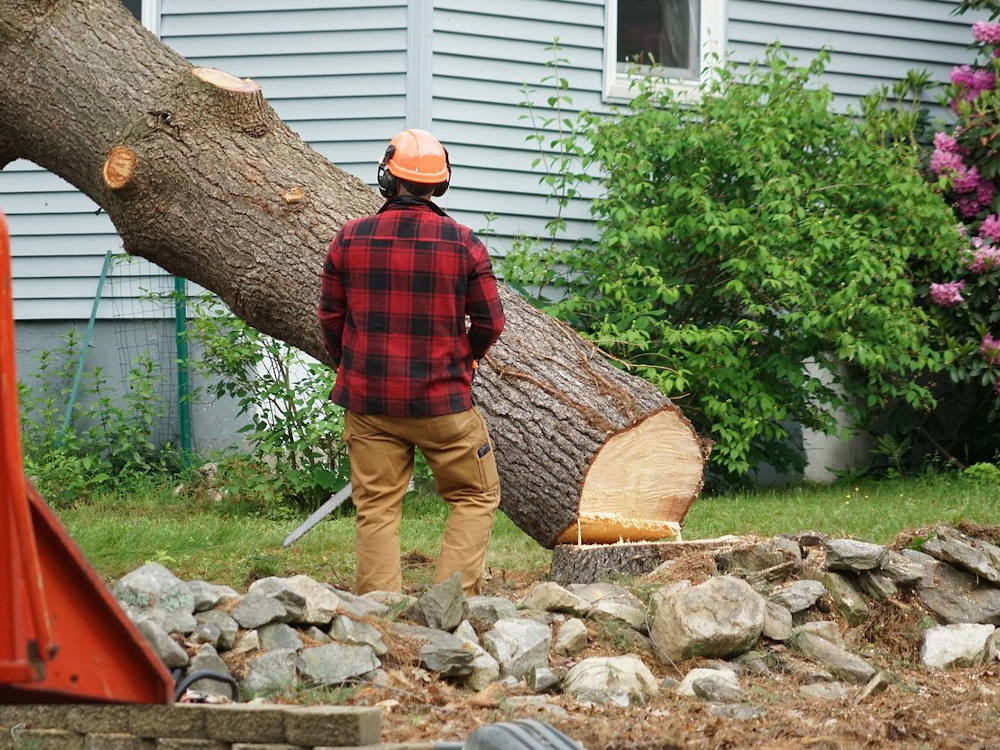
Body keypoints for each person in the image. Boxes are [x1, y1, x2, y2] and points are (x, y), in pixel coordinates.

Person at [319, 129, 506, 596]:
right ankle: (450, 606)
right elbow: (490, 323)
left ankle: (377, 618)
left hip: (369, 403)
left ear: (388, 176)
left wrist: (356, 367)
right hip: (442, 403)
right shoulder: (465, 244)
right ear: (440, 184)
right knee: (475, 495)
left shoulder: (349, 238)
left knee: (377, 507)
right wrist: (466, 357)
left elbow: (330, 319)